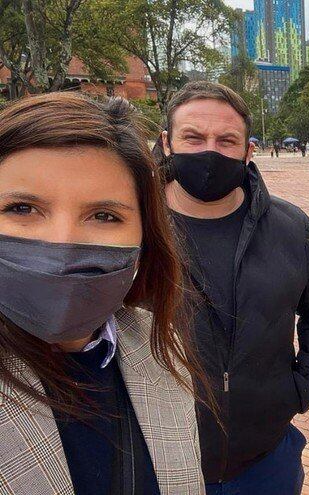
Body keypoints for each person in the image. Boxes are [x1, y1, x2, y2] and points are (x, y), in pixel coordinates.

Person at [0, 92, 207, 494]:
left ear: (145, 236)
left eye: (104, 216)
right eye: (22, 208)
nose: (63, 244)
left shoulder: (158, 350)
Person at [159, 81, 309, 495]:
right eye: (193, 137)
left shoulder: (290, 226)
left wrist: (307, 383)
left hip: (267, 461)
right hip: (158, 465)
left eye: (227, 140)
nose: (210, 151)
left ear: (249, 151)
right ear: (167, 143)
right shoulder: (131, 226)